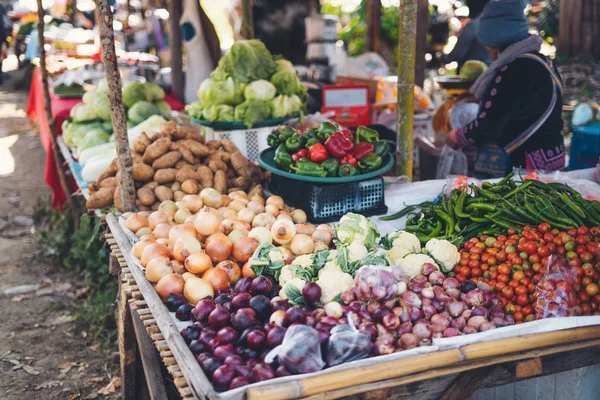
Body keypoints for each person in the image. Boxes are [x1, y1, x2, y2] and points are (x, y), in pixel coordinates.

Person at [448, 0, 565, 176]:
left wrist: (456, 136)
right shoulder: (541, 61)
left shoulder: (514, 69)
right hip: (550, 155)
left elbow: (488, 124)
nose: (487, 49)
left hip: (528, 163)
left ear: (496, 38)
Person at [446, 0, 492, 70]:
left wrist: (444, 58)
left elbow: (457, 54)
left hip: (472, 75)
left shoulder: (473, 26)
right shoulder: (495, 24)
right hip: (489, 72)